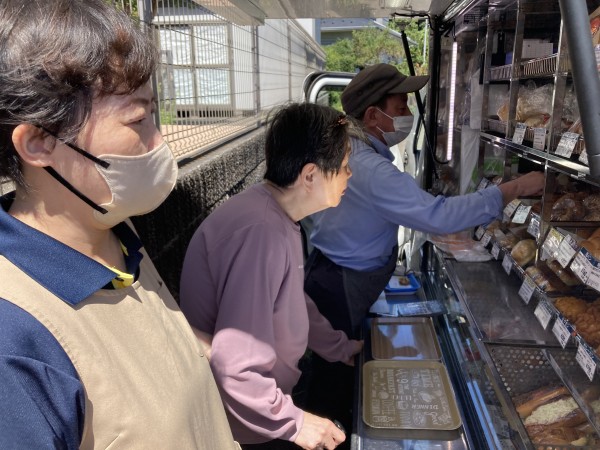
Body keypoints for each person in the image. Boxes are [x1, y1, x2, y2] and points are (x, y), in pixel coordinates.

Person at [0, 1, 239, 448]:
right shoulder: (14, 342)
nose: (160, 142)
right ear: (39, 143)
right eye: (138, 119)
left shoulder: (113, 230)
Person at [301, 63, 545, 443]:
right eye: (400, 107)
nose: (407, 116)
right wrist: (513, 189)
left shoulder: (355, 151)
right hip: (340, 288)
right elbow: (437, 217)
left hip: (335, 277)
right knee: (332, 389)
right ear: (372, 115)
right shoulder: (368, 167)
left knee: (335, 376)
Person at [179, 102, 363, 450]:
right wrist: (295, 422)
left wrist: (339, 347)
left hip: (261, 407)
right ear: (310, 176)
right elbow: (235, 365)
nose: (349, 175)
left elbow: (291, 301)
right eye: (343, 167)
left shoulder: (274, 215)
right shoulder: (261, 232)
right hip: (244, 421)